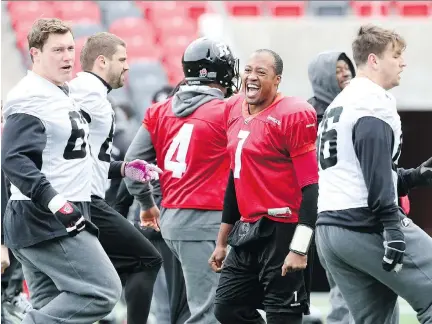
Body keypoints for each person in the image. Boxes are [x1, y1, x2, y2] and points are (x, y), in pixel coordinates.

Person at [1, 18, 122, 324]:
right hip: (46, 217)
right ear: (35, 54)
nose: (68, 56)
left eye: (70, 48)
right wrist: (57, 203)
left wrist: (122, 169)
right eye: (57, 50)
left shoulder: (60, 92)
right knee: (103, 291)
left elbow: (73, 157)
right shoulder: (30, 96)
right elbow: (14, 159)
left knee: (53, 304)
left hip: (54, 213)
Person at [315, 24, 432, 324]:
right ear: (374, 60)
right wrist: (392, 229)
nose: (403, 63)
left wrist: (413, 177)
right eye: (396, 55)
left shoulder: (341, 103)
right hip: (364, 223)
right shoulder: (371, 100)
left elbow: (359, 169)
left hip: (331, 231)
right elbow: (374, 176)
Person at [125, 37, 239, 324]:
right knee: (208, 313)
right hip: (205, 222)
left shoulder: (159, 110)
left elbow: (133, 166)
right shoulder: (227, 111)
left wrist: (147, 203)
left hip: (173, 220)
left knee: (192, 308)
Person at [212, 49, 319, 324]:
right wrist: (222, 240)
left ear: (277, 80)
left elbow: (311, 186)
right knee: (227, 308)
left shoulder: (293, 114)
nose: (252, 77)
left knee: (282, 313)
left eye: (261, 72)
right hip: (248, 229)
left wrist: (300, 248)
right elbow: (235, 179)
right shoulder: (234, 108)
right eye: (248, 70)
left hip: (283, 228)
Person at [68, 32, 163, 324]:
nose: (127, 67)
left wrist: (123, 168)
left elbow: (84, 156)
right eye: (122, 60)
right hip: (83, 200)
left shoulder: (91, 93)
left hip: (82, 198)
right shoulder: (86, 93)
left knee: (82, 282)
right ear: (101, 61)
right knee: (147, 259)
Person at [307, 51, 355, 324]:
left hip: (351, 209)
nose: (345, 73)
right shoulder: (306, 116)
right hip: (325, 213)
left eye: (347, 68)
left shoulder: (359, 106)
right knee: (343, 287)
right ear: (322, 77)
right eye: (337, 70)